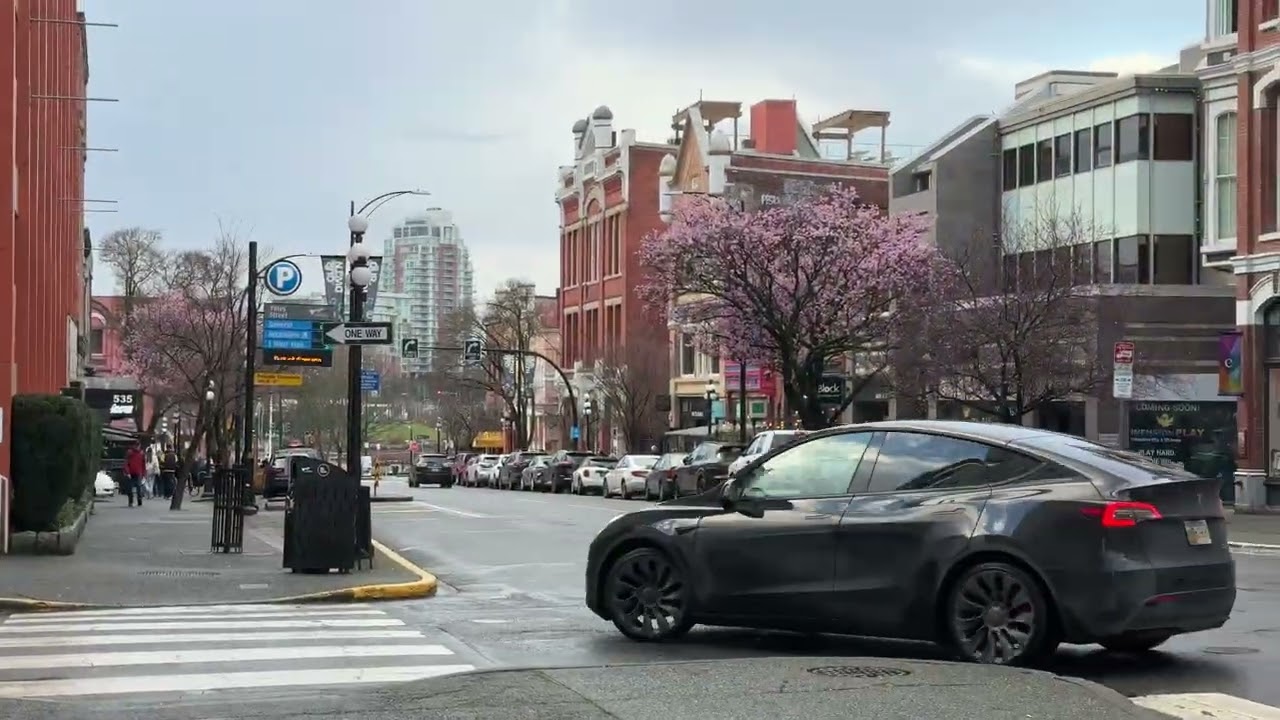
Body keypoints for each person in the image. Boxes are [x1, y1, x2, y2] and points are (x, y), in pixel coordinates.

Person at [124, 441, 146, 507]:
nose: (137, 447)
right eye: (136, 445)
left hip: (138, 473)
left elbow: (143, 465)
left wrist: (144, 474)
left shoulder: (141, 454)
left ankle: (139, 501)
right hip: (131, 473)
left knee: (139, 488)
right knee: (130, 488)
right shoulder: (130, 453)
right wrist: (127, 472)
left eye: (138, 445)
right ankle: (131, 501)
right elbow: (126, 463)